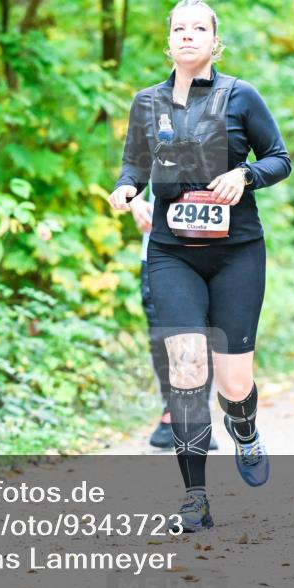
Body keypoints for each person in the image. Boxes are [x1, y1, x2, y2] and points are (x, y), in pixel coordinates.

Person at [108, 0, 290, 531]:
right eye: (178, 29)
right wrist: (124, 191)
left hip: (237, 254)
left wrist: (246, 176)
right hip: (171, 254)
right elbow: (132, 166)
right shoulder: (148, 102)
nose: (188, 36)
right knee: (187, 371)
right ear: (168, 43)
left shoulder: (241, 96)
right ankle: (195, 499)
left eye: (199, 29)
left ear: (215, 42)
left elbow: (279, 157)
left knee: (234, 382)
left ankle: (245, 428)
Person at [131, 190, 216, 452]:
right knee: (161, 336)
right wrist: (134, 202)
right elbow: (133, 171)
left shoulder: (222, 147)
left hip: (208, 251)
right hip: (158, 252)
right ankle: (172, 409)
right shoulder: (149, 145)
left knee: (200, 334)